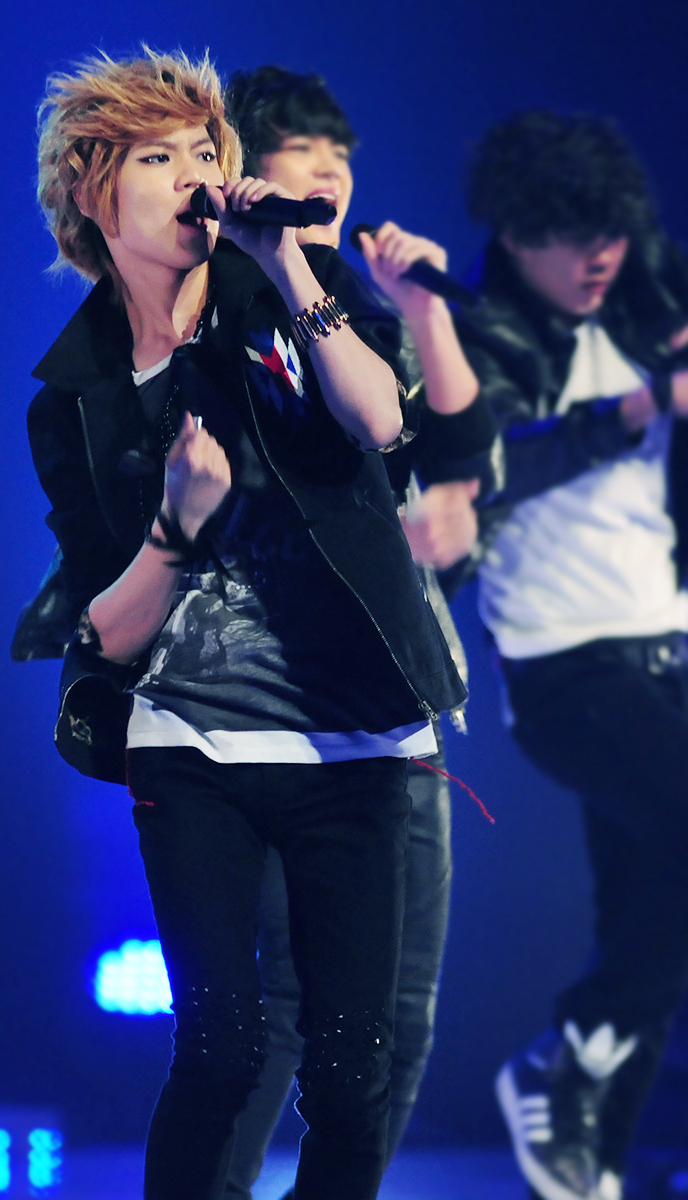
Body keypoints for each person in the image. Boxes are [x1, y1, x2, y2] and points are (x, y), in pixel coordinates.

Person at [24, 47, 473, 1200]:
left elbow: (379, 423)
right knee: (219, 1048)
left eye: (202, 153)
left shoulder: (285, 296)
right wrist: (175, 529)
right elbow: (105, 627)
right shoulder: (72, 399)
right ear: (90, 191)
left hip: (350, 738)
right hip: (192, 744)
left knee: (351, 1072)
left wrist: (285, 261)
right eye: (156, 158)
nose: (191, 177)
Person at [217, 66, 496, 1200]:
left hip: (399, 703)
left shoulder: (369, 319)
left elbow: (457, 450)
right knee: (281, 1005)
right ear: (243, 173)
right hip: (272, 704)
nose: (332, 170)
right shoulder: (221, 315)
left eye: (343, 157)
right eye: (303, 150)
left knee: (402, 1009)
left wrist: (423, 305)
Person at [451, 110, 688, 1200]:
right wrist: (639, 404)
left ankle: (590, 1167)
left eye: (614, 236)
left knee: (651, 916)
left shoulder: (646, 297)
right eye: (576, 239)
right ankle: (568, 1048)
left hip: (667, 640)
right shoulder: (477, 334)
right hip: (565, 665)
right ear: (515, 234)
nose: (601, 259)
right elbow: (487, 466)